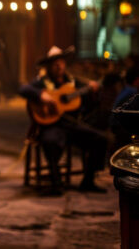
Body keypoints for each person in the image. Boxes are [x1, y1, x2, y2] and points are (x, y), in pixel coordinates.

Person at [19, 46, 108, 195]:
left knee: (100, 139)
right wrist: (42, 95)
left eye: (61, 62)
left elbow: (86, 103)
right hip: (51, 126)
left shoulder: (73, 82)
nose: (59, 65)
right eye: (55, 63)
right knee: (50, 141)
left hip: (71, 125)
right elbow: (23, 89)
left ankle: (88, 181)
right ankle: (56, 182)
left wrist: (93, 91)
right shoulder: (41, 81)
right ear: (48, 66)